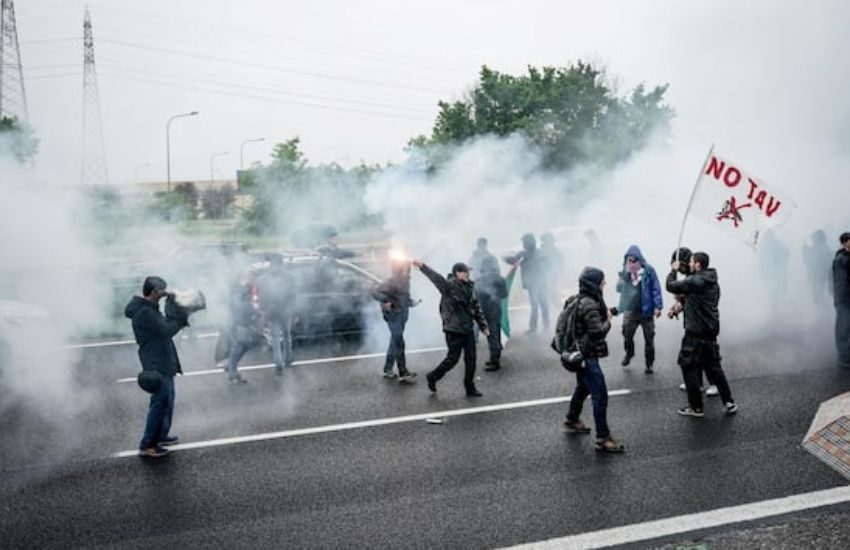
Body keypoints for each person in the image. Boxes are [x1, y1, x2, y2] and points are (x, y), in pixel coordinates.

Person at [667, 252, 738, 418]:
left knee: (688, 365)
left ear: (698, 264)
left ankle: (696, 407)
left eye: (691, 261)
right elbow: (692, 297)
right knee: (714, 367)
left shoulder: (696, 280)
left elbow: (671, 285)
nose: (690, 264)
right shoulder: (711, 281)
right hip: (710, 330)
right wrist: (680, 303)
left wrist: (673, 271)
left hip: (696, 331)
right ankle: (729, 402)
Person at [124, 276, 189, 458]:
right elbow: (165, 330)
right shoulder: (145, 313)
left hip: (163, 360)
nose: (164, 293)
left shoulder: (150, 308)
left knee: (168, 401)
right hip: (156, 362)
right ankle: (148, 444)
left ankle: (161, 435)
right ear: (153, 291)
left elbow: (164, 329)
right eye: (161, 291)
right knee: (159, 403)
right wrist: (180, 317)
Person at [561, 267, 625, 453]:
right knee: (600, 395)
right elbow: (597, 331)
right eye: (602, 281)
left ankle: (572, 420)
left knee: (583, 388)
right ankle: (603, 438)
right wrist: (609, 321)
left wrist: (609, 312)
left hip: (580, 354)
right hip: (587, 355)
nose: (604, 284)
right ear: (594, 283)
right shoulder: (589, 303)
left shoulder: (581, 299)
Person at [413, 260, 489, 397]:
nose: (468, 274)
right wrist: (422, 266)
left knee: (471, 360)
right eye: (465, 272)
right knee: (453, 359)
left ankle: (470, 387)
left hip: (468, 329)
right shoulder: (448, 287)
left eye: (468, 272)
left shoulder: (471, 288)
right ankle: (433, 376)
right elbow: (435, 277)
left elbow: (476, 308)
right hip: (454, 329)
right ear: (457, 273)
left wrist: (483, 326)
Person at [669, 248, 719, 397]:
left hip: (704, 323)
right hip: (694, 323)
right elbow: (687, 301)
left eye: (682, 265)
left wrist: (682, 296)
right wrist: (677, 308)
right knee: (694, 355)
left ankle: (715, 384)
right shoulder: (692, 278)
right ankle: (697, 382)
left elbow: (696, 300)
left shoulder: (698, 279)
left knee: (709, 357)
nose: (681, 268)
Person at [615, 245, 663, 373]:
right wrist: (621, 279)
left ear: (639, 260)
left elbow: (655, 288)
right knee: (627, 335)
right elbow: (618, 290)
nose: (630, 263)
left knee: (649, 338)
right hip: (630, 311)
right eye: (628, 260)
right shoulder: (625, 272)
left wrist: (658, 306)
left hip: (646, 311)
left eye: (633, 260)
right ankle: (629, 354)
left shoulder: (648, 270)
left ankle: (649, 363)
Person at [372, 260, 418, 383]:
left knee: (394, 342)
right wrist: (385, 300)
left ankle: (387, 369)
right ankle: (403, 372)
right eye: (404, 268)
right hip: (393, 316)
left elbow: (404, 296)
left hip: (402, 315)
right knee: (399, 343)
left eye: (407, 268)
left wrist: (411, 302)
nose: (406, 270)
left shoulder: (406, 281)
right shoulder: (391, 282)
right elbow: (375, 292)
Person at [256, 255, 296, 375]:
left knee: (275, 339)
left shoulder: (263, 279)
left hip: (271, 311)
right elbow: (293, 295)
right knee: (287, 335)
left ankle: (278, 363)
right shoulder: (288, 277)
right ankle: (288, 358)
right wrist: (293, 310)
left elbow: (261, 296)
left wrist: (264, 310)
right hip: (285, 311)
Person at [504, 233, 549, 333]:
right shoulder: (536, 253)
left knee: (538, 305)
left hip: (537, 284)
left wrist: (504, 257)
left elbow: (512, 260)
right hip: (537, 284)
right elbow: (513, 260)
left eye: (524, 242)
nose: (523, 244)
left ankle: (537, 328)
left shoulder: (527, 254)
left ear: (529, 242)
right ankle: (545, 327)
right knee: (541, 305)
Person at [225, 277, 261, 384]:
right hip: (241, 327)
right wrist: (256, 314)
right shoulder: (244, 302)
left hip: (237, 326)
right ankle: (232, 370)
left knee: (241, 347)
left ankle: (232, 368)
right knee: (240, 347)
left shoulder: (237, 297)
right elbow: (250, 312)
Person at [476, 255, 509, 371]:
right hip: (496, 309)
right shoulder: (500, 279)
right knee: (496, 333)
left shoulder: (479, 281)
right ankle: (496, 356)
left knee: (491, 336)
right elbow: (505, 294)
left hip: (485, 311)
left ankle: (495, 362)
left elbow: (476, 297)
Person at [803, 230, 834, 308]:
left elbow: (809, 259)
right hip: (821, 276)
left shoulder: (823, 250)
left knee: (819, 296)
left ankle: (824, 313)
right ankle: (823, 313)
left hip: (820, 276)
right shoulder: (823, 249)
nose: (813, 241)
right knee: (819, 297)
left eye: (814, 239)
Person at [833, 232, 850, 368]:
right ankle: (843, 358)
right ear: (844, 243)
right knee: (843, 327)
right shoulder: (840, 259)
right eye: (848, 240)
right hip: (844, 298)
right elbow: (840, 282)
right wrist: (838, 300)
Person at [540, 232, 565, 308]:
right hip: (544, 278)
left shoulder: (554, 251)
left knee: (552, 295)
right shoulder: (543, 251)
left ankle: (560, 310)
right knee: (548, 296)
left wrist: (556, 275)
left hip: (550, 277)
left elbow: (560, 264)